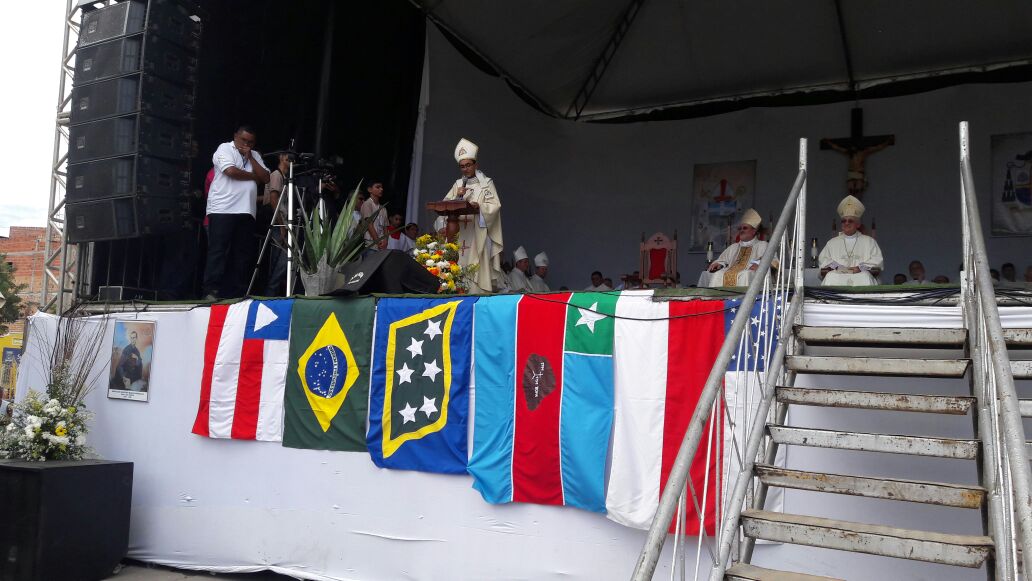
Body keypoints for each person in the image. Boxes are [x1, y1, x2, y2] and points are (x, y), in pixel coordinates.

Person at [204, 125, 270, 300]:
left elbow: (266, 178)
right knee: (219, 251)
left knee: (241, 254)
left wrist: (251, 159)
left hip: (246, 211)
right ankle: (211, 291)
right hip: (222, 209)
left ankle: (234, 293)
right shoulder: (224, 148)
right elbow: (230, 171)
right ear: (235, 137)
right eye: (243, 140)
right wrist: (253, 176)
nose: (246, 144)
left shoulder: (255, 155)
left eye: (250, 142)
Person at [436, 138, 504, 293]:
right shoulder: (458, 185)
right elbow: (444, 205)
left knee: (476, 265)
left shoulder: (486, 184)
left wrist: (479, 206)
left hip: (477, 233)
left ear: (475, 165)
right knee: (458, 261)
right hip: (459, 234)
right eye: (462, 166)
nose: (465, 169)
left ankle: (476, 292)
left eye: (468, 165)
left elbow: (495, 206)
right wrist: (457, 198)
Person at [819, 195, 883, 286]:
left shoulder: (869, 242)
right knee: (830, 276)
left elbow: (877, 261)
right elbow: (823, 260)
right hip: (839, 273)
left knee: (865, 276)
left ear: (858, 224)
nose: (846, 223)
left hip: (860, 274)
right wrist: (838, 267)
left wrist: (860, 268)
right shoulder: (832, 243)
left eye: (850, 221)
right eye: (844, 221)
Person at [705, 209, 770, 287]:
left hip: (750, 273)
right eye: (740, 229)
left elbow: (773, 262)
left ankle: (744, 299)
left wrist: (760, 265)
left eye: (745, 228)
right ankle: (716, 298)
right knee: (718, 274)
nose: (741, 230)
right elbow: (722, 260)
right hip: (732, 271)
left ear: (754, 231)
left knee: (746, 274)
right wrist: (719, 264)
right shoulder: (733, 247)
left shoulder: (763, 245)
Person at [264, 153, 290, 295]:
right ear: (281, 157)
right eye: (287, 157)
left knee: (281, 262)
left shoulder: (285, 177)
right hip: (277, 223)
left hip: (282, 222)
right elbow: (274, 199)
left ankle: (272, 292)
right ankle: (269, 294)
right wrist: (281, 225)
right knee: (276, 262)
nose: (291, 160)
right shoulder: (276, 175)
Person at [361, 180, 389, 253]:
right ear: (370, 190)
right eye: (378, 187)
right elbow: (369, 225)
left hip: (382, 246)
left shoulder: (383, 208)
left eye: (382, 187)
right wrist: (378, 241)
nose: (381, 189)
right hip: (370, 245)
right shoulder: (367, 204)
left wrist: (385, 241)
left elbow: (385, 227)